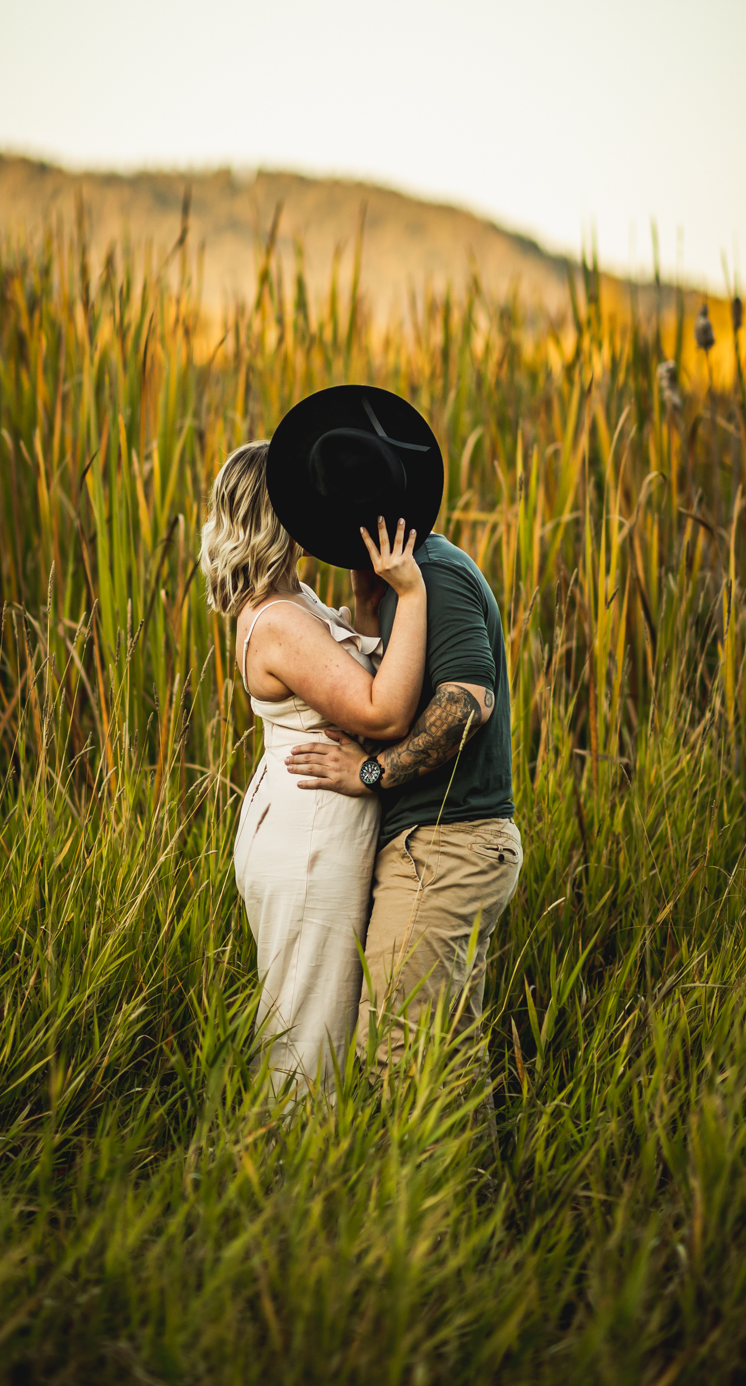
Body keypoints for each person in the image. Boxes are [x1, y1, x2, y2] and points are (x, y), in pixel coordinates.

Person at [270, 386, 522, 1074]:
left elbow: (467, 704)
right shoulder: (393, 584)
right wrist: (367, 604)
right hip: (436, 845)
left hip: (445, 845)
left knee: (399, 1055)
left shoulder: (435, 574)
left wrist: (370, 773)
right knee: (441, 1059)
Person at [198, 438, 426, 1094]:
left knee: (314, 1021)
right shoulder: (276, 620)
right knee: (307, 1040)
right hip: (309, 840)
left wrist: (364, 604)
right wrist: (410, 595)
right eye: (305, 491)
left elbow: (353, 685)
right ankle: (282, 1154)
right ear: (278, 513)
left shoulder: (293, 598)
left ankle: (299, 1151)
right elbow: (383, 715)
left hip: (312, 823)